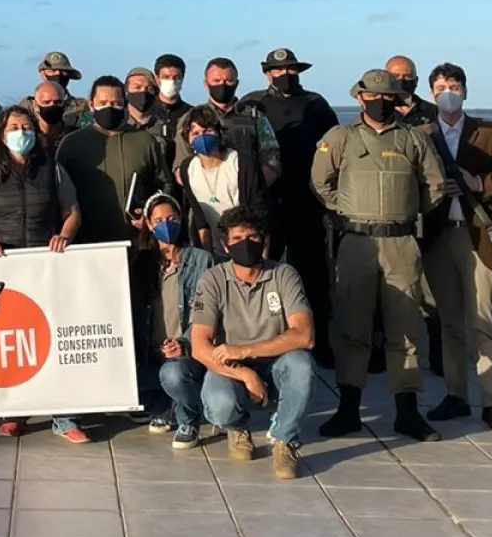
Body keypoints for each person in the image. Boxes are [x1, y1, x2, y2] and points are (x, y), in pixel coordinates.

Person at [312, 70, 446, 443]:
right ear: (360, 98)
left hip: (401, 242)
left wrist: (405, 212)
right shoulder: (340, 138)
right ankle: (349, 409)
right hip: (356, 241)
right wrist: (349, 209)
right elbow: (321, 183)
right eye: (373, 96)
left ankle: (407, 411)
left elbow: (434, 186)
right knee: (353, 329)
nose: (381, 102)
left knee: (404, 329)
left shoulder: (413, 139)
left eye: (388, 97)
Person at [0, 105, 88, 442]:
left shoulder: (53, 170)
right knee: (14, 341)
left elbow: (72, 211)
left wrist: (64, 234)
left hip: (45, 267)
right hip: (5, 270)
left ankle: (64, 416)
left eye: (27, 126)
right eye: (14, 127)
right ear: (3, 136)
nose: (22, 132)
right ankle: (14, 411)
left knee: (52, 337)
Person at [417, 63, 492, 431]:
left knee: (484, 323)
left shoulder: (490, 132)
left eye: (454, 86)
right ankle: (456, 395)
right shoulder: (422, 134)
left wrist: (478, 182)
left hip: (478, 235)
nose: (448, 92)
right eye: (441, 87)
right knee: (450, 323)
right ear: (431, 93)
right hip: (440, 236)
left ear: (465, 91)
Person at [191, 207, 318, 480]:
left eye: (252, 236)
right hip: (232, 365)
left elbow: (304, 335)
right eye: (237, 239)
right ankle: (237, 427)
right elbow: (200, 347)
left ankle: (285, 440)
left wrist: (247, 350)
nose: (245, 244)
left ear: (265, 240)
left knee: (302, 365)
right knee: (218, 405)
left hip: (275, 361)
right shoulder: (213, 279)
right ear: (225, 245)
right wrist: (244, 372)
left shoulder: (284, 275)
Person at [241, 48, 340, 365]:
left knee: (313, 274)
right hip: (265, 202)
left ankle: (320, 341)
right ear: (268, 73)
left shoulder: (316, 104)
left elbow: (336, 146)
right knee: (257, 272)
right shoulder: (253, 104)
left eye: (291, 70)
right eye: (278, 70)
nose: (285, 75)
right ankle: (260, 343)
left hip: (307, 201)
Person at [134, 194, 216, 449]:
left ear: (181, 219)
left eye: (171, 218)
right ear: (148, 224)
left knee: (173, 374)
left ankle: (188, 416)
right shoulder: (141, 263)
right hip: (152, 351)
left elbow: (211, 314)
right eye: (158, 220)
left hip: (187, 352)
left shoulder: (201, 260)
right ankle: (163, 403)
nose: (165, 224)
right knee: (131, 380)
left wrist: (186, 343)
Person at [56, 76, 171, 245]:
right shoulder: (72, 143)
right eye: (102, 103)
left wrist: (152, 214)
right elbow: (57, 192)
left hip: (136, 241)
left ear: (125, 105)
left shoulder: (144, 141)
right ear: (91, 105)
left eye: (116, 103)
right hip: (86, 243)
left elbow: (164, 184)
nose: (109, 108)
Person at [174, 59, 281, 191]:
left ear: (237, 83)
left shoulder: (255, 117)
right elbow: (180, 168)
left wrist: (252, 188)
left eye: (228, 80)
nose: (222, 85)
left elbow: (272, 161)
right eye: (216, 81)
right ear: (206, 84)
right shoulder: (190, 119)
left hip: (249, 197)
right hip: (206, 200)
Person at [180, 104, 268, 254]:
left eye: (207, 131)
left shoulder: (242, 163)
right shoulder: (188, 168)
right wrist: (208, 257)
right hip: (216, 247)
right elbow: (200, 218)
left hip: (247, 245)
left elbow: (260, 215)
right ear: (188, 140)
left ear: (219, 133)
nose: (202, 137)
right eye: (195, 133)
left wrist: (261, 258)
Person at [20, 50, 88, 127]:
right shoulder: (28, 106)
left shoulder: (81, 106)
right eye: (53, 71)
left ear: (69, 75)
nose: (58, 74)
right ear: (43, 74)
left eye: (63, 71)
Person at [385, 56, 440, 127]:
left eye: (408, 76)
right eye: (395, 76)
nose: (401, 80)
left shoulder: (434, 112)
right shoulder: (377, 112)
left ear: (416, 81)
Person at [123, 68, 173, 143]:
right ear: (126, 92)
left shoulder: (163, 128)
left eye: (149, 89)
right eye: (137, 87)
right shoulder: (118, 125)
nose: (143, 91)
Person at [29, 80, 74, 157]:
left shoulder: (74, 136)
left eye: (58, 102)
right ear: (35, 105)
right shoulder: (28, 136)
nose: (52, 106)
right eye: (46, 102)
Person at [154, 54, 194, 135]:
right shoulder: (147, 111)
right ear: (157, 80)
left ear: (182, 79)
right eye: (166, 77)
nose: (171, 81)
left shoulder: (191, 114)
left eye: (176, 77)